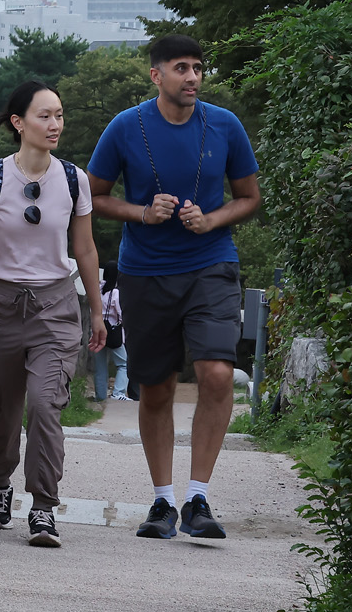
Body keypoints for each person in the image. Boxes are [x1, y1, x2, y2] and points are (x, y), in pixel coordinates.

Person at [87, 34, 260, 542]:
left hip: (212, 265)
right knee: (157, 386)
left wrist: (212, 220)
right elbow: (93, 195)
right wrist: (142, 212)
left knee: (217, 373)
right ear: (156, 75)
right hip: (145, 271)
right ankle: (163, 501)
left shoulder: (225, 125)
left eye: (198, 68)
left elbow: (248, 196)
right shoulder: (126, 126)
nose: (192, 77)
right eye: (181, 67)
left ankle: (199, 496)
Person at [0, 80, 105, 548]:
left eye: (59, 114)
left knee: (45, 404)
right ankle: (0, 485)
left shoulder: (75, 179)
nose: (54, 124)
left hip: (55, 307)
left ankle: (43, 508)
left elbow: (84, 248)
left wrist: (97, 310)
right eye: (44, 115)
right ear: (19, 122)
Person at [91, 267, 129, 401]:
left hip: (96, 332)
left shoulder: (97, 290)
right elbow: (121, 313)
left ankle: (100, 396)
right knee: (124, 364)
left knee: (100, 367)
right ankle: (118, 393)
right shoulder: (115, 293)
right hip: (112, 333)